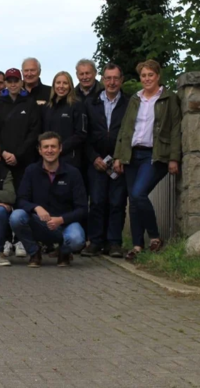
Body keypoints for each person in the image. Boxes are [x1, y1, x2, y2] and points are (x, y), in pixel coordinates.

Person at [114, 59, 181, 261]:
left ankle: (154, 236)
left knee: (138, 193)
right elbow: (125, 129)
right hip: (132, 154)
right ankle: (137, 245)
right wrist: (118, 156)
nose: (147, 79)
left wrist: (174, 158)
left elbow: (176, 129)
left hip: (155, 155)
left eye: (150, 75)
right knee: (133, 201)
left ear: (158, 76)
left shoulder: (169, 98)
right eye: (143, 75)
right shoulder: (136, 99)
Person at [10, 132, 87, 267]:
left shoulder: (73, 173)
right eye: (45, 147)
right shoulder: (31, 171)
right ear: (40, 150)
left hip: (65, 224)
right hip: (39, 223)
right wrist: (36, 208)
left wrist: (61, 220)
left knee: (77, 239)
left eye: (53, 146)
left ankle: (64, 252)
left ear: (60, 148)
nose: (49, 150)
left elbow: (82, 208)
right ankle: (34, 253)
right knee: (16, 217)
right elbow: (21, 199)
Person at [82, 63, 129, 258]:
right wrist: (93, 157)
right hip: (97, 160)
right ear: (102, 80)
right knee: (98, 201)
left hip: (119, 160)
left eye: (115, 78)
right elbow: (83, 135)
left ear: (121, 80)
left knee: (117, 202)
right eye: (108, 78)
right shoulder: (90, 103)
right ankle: (95, 241)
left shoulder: (129, 103)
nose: (112, 82)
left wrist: (121, 157)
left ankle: (114, 243)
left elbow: (130, 133)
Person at [0, 68, 40, 190]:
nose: (13, 84)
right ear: (5, 83)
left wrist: (18, 155)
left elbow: (34, 131)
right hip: (3, 160)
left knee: (25, 192)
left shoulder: (30, 104)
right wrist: (4, 153)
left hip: (25, 159)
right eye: (9, 81)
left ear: (21, 82)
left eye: (16, 81)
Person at [41, 71, 87, 171]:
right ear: (53, 85)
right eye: (58, 83)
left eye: (65, 83)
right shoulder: (47, 107)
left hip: (70, 159)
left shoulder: (77, 105)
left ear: (70, 86)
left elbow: (81, 134)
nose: (61, 86)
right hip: (48, 159)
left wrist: (59, 148)